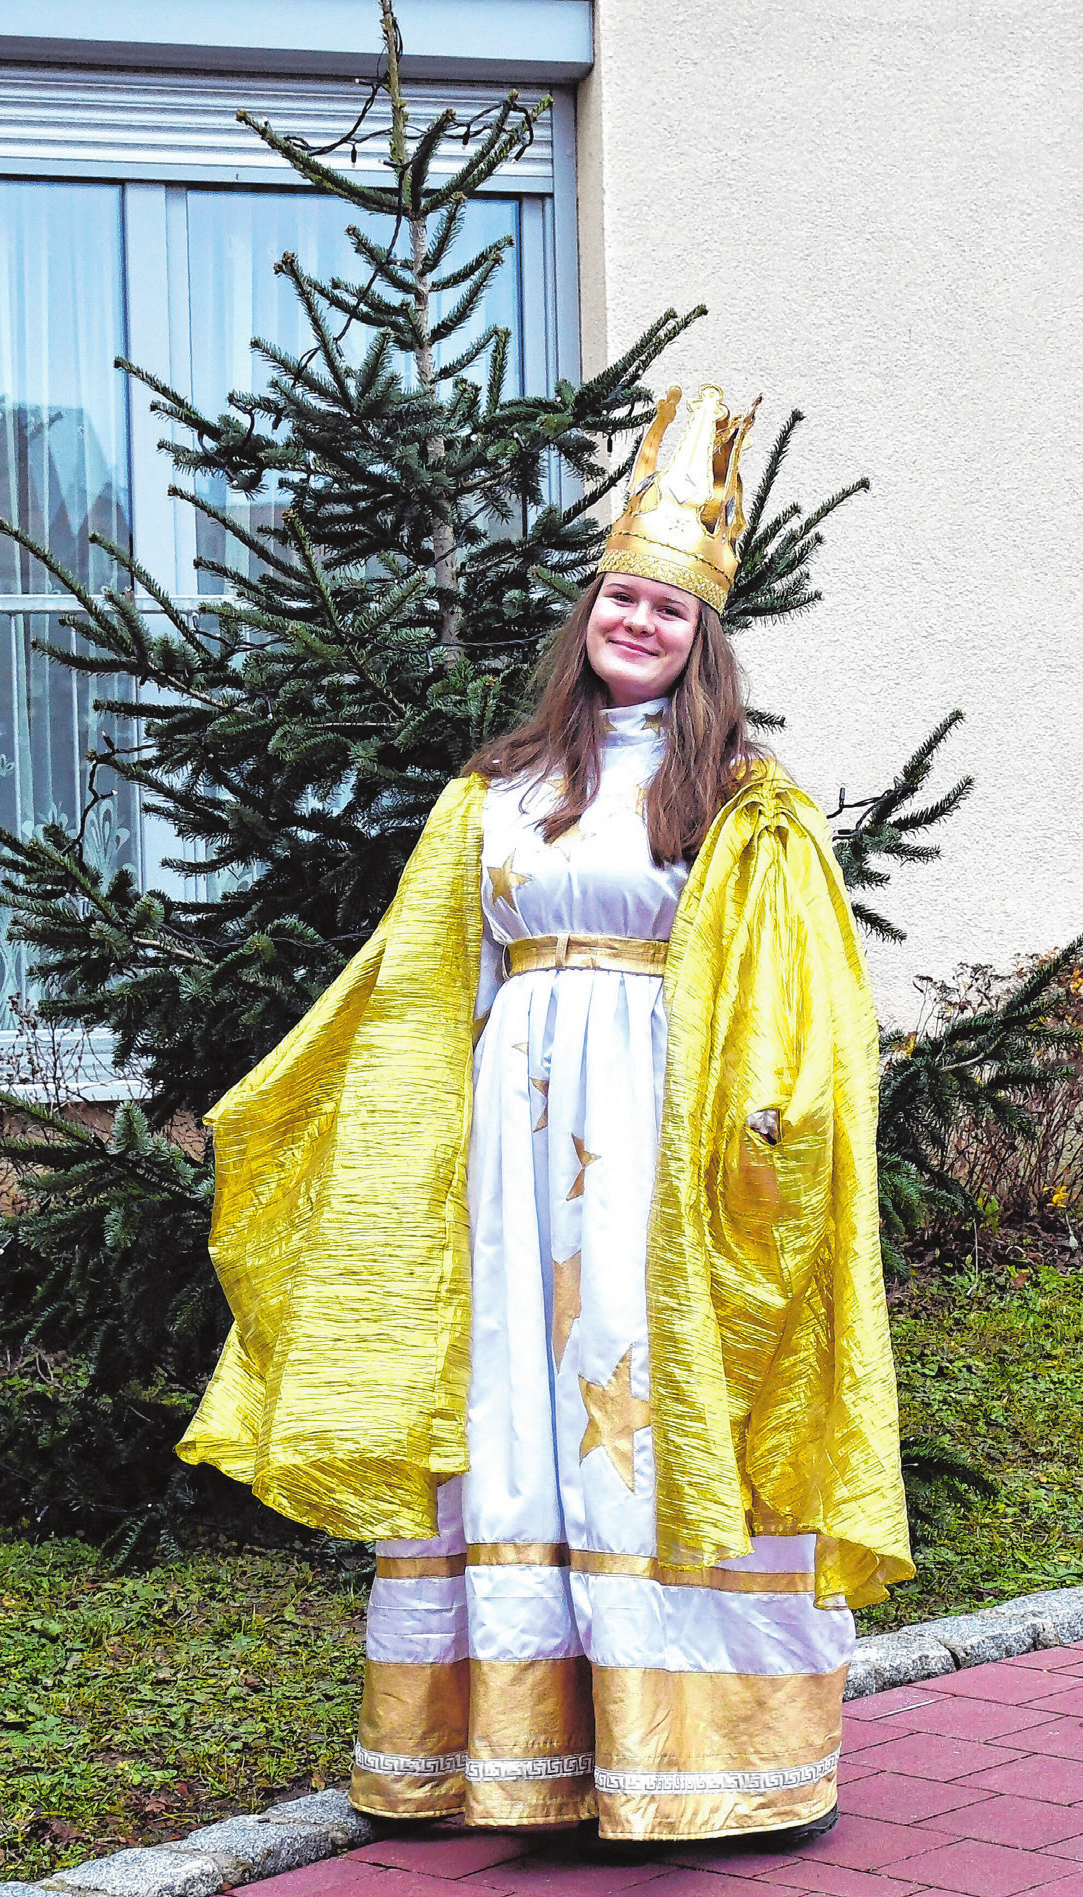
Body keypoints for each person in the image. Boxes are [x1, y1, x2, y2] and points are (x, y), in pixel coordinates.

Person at [178, 383, 913, 1845]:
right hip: (510, 1155)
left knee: (652, 1397)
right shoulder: (496, 791)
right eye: (619, 599)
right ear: (585, 618)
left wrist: (773, 1135)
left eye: (669, 612)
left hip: (667, 1142)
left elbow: (802, 1004)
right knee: (513, 1395)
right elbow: (407, 985)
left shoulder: (747, 800)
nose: (637, 624)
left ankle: (704, 1759)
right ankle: (497, 1755)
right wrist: (321, 1113)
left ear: (704, 641)